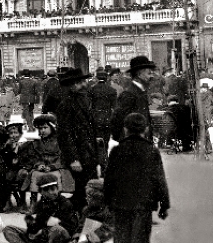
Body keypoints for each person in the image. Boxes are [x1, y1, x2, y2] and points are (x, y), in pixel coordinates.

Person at [105, 112, 170, 243]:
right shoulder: (151, 151)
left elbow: (109, 179)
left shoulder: (116, 151)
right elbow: (159, 180)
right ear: (146, 129)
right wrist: (164, 204)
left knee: (122, 241)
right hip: (143, 204)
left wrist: (108, 201)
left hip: (120, 203)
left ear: (125, 129)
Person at [2, 171, 79, 243]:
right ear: (42, 192)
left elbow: (71, 227)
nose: (53, 192)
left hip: (59, 239)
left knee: (57, 229)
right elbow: (37, 225)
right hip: (43, 239)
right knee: (9, 229)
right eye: (48, 190)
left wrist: (44, 230)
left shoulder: (65, 203)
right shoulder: (40, 204)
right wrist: (31, 224)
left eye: (54, 188)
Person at [53, 68, 100, 210]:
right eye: (81, 82)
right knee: (84, 191)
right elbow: (65, 134)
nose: (85, 84)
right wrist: (73, 158)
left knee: (85, 190)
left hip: (88, 153)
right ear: (73, 85)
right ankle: (79, 223)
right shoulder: (66, 105)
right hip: (78, 157)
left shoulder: (84, 100)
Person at [64, 178, 114, 243]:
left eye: (90, 197)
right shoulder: (86, 210)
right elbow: (80, 226)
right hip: (88, 241)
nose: (87, 199)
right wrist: (76, 239)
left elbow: (109, 229)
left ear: (100, 197)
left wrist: (86, 239)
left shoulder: (110, 210)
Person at [111, 55, 156, 141]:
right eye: (149, 73)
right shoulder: (129, 94)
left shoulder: (141, 91)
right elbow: (117, 120)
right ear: (139, 74)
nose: (151, 77)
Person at [88, 70, 118, 167]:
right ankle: (104, 161)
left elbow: (89, 105)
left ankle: (99, 160)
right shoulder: (112, 90)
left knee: (97, 141)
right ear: (107, 78)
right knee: (105, 141)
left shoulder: (92, 90)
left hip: (95, 118)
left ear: (96, 78)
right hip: (107, 119)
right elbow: (114, 107)